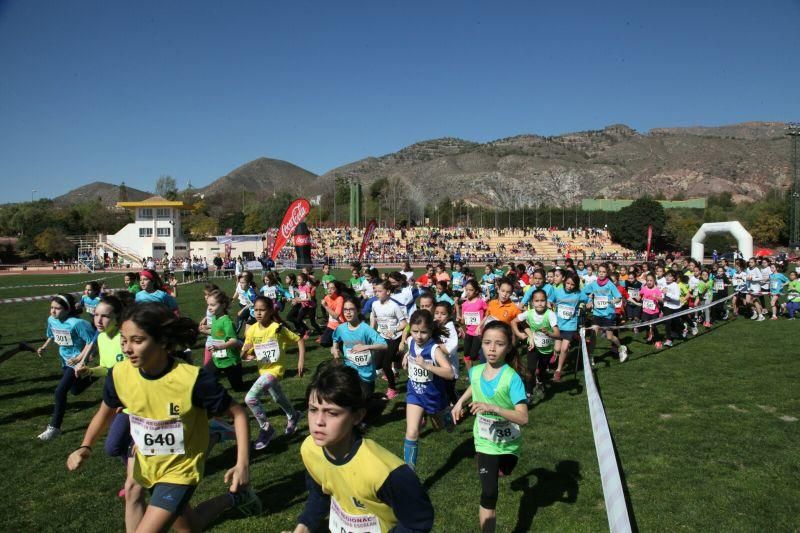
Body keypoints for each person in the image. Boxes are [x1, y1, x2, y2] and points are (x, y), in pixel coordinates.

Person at [66, 303, 260, 532]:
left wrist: (242, 464)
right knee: (189, 526)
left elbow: (238, 413)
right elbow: (104, 412)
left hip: (180, 468)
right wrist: (85, 446)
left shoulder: (192, 380)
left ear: (163, 342)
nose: (128, 348)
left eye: (137, 341)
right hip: (146, 462)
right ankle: (237, 499)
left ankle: (212, 432)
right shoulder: (119, 374)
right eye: (124, 340)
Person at [293, 364, 434, 532]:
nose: (318, 422)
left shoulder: (387, 472)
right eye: (313, 409)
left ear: (357, 416)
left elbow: (419, 521)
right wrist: (303, 527)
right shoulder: (309, 449)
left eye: (332, 413)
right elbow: (319, 493)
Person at [452, 321, 528, 533]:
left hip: (509, 444)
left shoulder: (512, 379)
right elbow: (474, 385)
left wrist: (491, 407)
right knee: (489, 493)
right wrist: (460, 402)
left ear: (508, 347)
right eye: (487, 343)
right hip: (484, 441)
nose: (492, 349)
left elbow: (523, 418)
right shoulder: (475, 371)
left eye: (499, 344)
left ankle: (500, 468)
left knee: (504, 470)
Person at [242, 296, 305, 450]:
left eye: (262, 310)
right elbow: (244, 355)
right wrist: (246, 352)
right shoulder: (252, 330)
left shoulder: (277, 328)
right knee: (277, 398)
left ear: (270, 311)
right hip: (263, 370)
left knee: (250, 398)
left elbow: (299, 340)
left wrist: (300, 361)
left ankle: (266, 428)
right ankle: (293, 415)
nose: (258, 313)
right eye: (256, 310)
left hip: (275, 371)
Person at [35, 293, 96, 441]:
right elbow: (52, 334)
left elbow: (92, 340)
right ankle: (95, 375)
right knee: (75, 390)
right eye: (51, 308)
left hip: (76, 362)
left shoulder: (77, 323)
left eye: (57, 308)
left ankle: (54, 428)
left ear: (67, 310)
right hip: (65, 360)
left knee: (59, 392)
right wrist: (44, 347)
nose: (53, 311)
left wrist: (80, 358)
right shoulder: (51, 320)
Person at [401, 310, 454, 471]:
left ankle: (446, 413)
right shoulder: (410, 340)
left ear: (430, 331)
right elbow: (411, 352)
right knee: (411, 432)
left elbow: (450, 373)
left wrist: (427, 366)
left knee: (439, 428)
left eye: (423, 332)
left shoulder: (434, 350)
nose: (418, 336)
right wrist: (406, 357)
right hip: (415, 393)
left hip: (433, 396)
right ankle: (408, 472)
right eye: (415, 331)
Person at [332, 297, 388, 399]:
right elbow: (335, 339)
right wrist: (335, 350)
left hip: (366, 373)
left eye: (351, 309)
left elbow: (384, 345)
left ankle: (376, 400)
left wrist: (366, 347)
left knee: (366, 401)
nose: (348, 313)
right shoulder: (341, 328)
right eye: (345, 310)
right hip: (350, 371)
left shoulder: (365, 329)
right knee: (352, 401)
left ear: (358, 311)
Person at [513, 290, 559, 401]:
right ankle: (528, 392)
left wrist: (549, 333)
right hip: (533, 346)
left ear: (546, 301)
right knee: (531, 369)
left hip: (547, 349)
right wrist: (520, 334)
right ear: (532, 303)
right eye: (537, 301)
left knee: (542, 370)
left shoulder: (550, 314)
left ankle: (541, 382)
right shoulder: (529, 313)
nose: (540, 303)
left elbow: (557, 334)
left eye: (542, 300)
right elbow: (513, 322)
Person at [545, 272, 588, 382]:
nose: (569, 286)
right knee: (557, 348)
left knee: (564, 348)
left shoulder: (578, 293)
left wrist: (589, 303)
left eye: (572, 284)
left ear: (576, 285)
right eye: (568, 283)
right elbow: (549, 300)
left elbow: (587, 300)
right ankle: (556, 355)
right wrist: (549, 305)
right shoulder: (557, 292)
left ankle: (558, 370)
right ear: (564, 282)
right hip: (558, 324)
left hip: (570, 325)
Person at [370, 280, 408, 400]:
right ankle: (398, 357)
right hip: (381, 337)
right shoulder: (375, 304)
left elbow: (404, 324)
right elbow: (374, 318)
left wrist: (395, 330)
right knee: (377, 365)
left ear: (388, 292)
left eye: (380, 291)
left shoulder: (394, 306)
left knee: (386, 365)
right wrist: (371, 331)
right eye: (375, 291)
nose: (377, 293)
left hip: (394, 338)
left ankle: (392, 388)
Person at [582, 263, 628, 362]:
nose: (601, 274)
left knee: (609, 336)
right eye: (600, 272)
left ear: (607, 273)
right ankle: (591, 357)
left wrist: (613, 301)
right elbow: (584, 292)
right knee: (593, 336)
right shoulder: (593, 284)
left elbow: (619, 297)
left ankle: (621, 348)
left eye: (604, 272)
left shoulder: (610, 285)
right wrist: (588, 300)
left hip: (608, 313)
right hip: (597, 314)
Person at [205, 290, 246, 392]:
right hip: (217, 358)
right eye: (208, 305)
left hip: (230, 361)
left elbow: (233, 340)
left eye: (212, 305)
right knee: (205, 376)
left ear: (223, 305)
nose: (209, 307)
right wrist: (205, 329)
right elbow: (217, 333)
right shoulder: (215, 318)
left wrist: (218, 347)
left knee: (238, 388)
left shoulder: (227, 322)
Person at [460, 279, 488, 375]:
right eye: (466, 290)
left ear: (476, 291)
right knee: (466, 355)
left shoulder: (481, 302)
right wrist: (461, 320)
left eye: (470, 290)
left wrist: (480, 326)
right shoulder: (464, 305)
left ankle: (486, 366)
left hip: (478, 333)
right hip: (468, 332)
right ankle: (471, 375)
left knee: (473, 355)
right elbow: (463, 320)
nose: (468, 292)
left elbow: (488, 314)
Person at [320, 281, 346, 348]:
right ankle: (336, 345)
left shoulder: (340, 299)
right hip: (331, 325)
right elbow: (323, 308)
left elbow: (336, 315)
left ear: (337, 290)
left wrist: (326, 306)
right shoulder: (326, 298)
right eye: (328, 288)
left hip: (340, 325)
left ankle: (336, 346)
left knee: (343, 349)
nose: (329, 290)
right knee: (324, 342)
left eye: (332, 288)